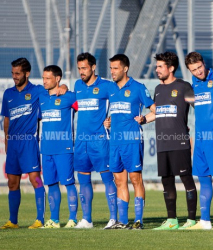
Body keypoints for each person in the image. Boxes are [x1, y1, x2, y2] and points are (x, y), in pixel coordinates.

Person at [0, 58, 66, 229]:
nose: (14, 76)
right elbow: (6, 119)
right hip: (13, 144)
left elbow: (55, 89)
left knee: (35, 179)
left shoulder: (37, 91)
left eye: (18, 73)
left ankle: (39, 219)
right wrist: (7, 140)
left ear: (27, 74)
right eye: (13, 73)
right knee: (12, 183)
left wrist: (63, 87)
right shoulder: (8, 94)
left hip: (29, 142)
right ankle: (13, 221)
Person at [103, 54, 155, 230]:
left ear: (125, 68)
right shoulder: (110, 88)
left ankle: (138, 220)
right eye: (111, 68)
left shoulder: (138, 88)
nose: (112, 72)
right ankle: (123, 222)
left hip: (132, 140)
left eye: (115, 68)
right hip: (115, 142)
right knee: (119, 181)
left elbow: (155, 110)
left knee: (135, 179)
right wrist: (107, 122)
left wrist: (144, 119)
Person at [182, 52, 213, 230]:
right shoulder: (192, 85)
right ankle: (205, 221)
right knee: (203, 179)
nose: (197, 72)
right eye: (193, 70)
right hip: (200, 139)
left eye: (199, 68)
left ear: (204, 63)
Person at [149, 51, 198, 230]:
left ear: (171, 68)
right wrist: (142, 119)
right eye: (157, 66)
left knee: (186, 179)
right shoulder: (158, 89)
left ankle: (191, 220)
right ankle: (172, 221)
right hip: (163, 143)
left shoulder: (184, 87)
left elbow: (199, 107)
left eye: (160, 66)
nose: (157, 69)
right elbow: (157, 113)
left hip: (180, 142)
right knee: (167, 180)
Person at [73, 52, 117, 229]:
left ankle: (113, 218)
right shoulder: (77, 85)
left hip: (100, 140)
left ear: (93, 67)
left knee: (107, 178)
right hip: (81, 141)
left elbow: (121, 103)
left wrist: (111, 119)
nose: (81, 72)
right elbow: (73, 104)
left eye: (84, 68)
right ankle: (87, 219)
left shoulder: (107, 86)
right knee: (83, 179)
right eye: (79, 69)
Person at [39, 65, 79, 228]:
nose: (44, 81)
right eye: (43, 78)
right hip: (46, 149)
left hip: (64, 149)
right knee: (51, 184)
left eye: (48, 78)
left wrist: (65, 88)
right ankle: (54, 220)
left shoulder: (70, 97)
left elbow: (85, 111)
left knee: (68, 183)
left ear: (57, 78)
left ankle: (72, 219)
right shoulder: (41, 97)